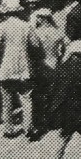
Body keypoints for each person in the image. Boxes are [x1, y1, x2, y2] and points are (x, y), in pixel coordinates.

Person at [0, 0, 34, 139]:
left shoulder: (1, 27)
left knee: (7, 98)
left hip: (6, 67)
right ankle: (28, 129)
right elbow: (35, 45)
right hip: (24, 66)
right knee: (26, 97)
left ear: (6, 12)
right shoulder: (26, 26)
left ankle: (9, 130)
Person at [27, 8, 66, 140]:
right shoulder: (57, 32)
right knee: (53, 94)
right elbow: (65, 49)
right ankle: (53, 120)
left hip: (40, 66)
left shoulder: (35, 33)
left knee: (39, 95)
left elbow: (31, 50)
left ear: (41, 19)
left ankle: (40, 121)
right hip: (54, 64)